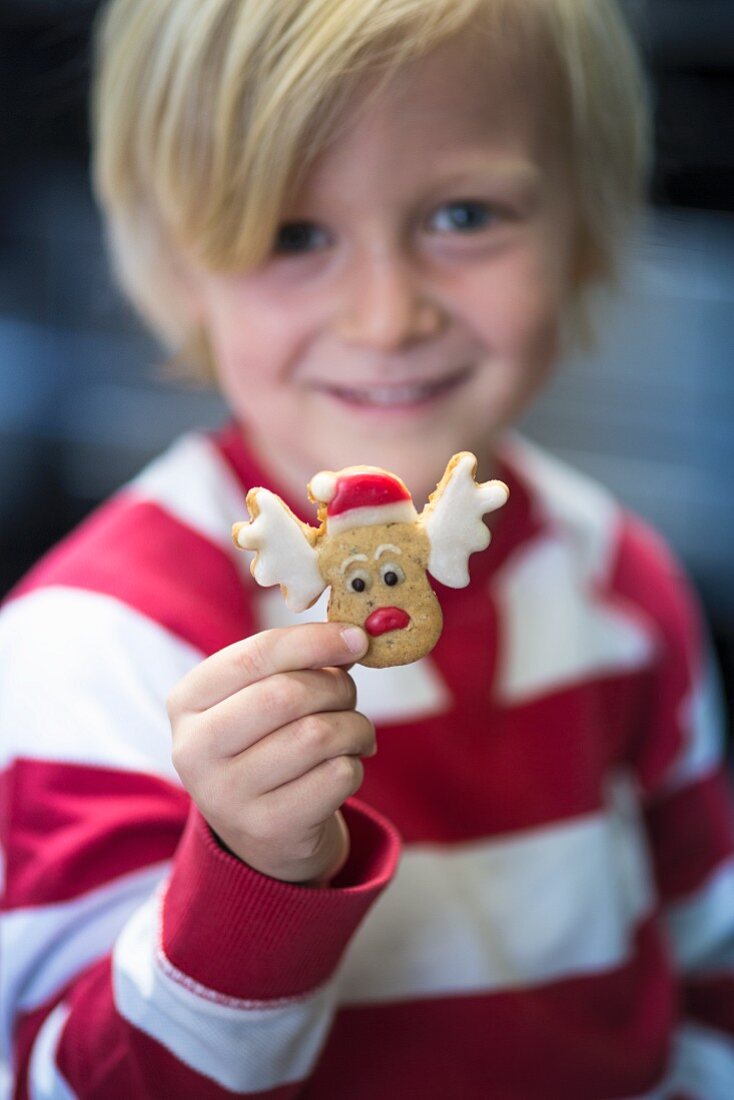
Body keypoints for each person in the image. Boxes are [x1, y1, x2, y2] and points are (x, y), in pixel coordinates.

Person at [2, 0, 733, 1096]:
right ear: (178, 265)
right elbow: (64, 1076)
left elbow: (705, 953)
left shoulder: (620, 580)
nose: (386, 315)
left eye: (463, 214)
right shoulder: (92, 644)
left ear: (580, 223)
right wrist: (247, 879)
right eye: (293, 234)